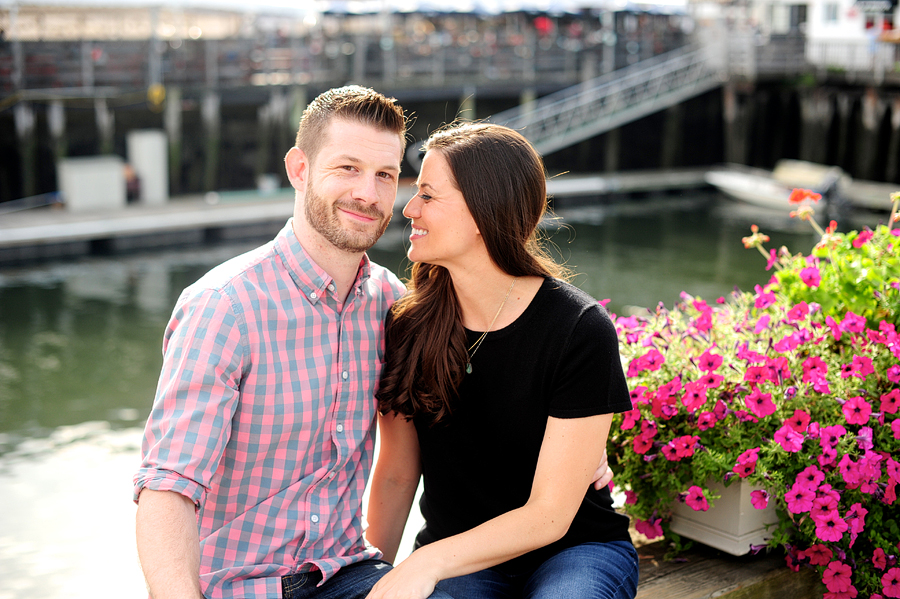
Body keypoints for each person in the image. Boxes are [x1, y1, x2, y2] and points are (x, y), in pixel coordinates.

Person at [133, 85, 451, 599]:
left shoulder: (392, 303)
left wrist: (581, 438)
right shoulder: (224, 307)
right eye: (347, 168)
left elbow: (488, 366)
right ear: (299, 169)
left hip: (346, 571)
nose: (368, 194)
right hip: (238, 587)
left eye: (385, 175)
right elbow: (168, 487)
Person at [366, 123, 639, 599]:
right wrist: (372, 577)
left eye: (428, 195)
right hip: (459, 559)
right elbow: (395, 473)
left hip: (575, 551)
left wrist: (425, 562)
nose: (408, 208)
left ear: (481, 211)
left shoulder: (580, 329)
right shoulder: (406, 325)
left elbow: (550, 516)